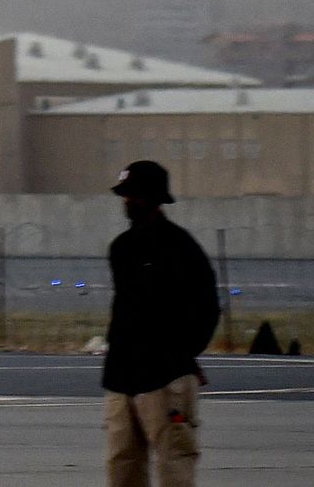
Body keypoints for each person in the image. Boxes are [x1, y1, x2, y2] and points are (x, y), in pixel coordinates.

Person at [103, 160, 219, 487]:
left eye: (134, 195)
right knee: (122, 465)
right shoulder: (121, 248)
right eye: (125, 195)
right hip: (122, 377)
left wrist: (180, 357)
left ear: (155, 198)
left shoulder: (181, 248)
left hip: (165, 380)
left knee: (174, 465)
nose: (127, 201)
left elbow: (206, 310)